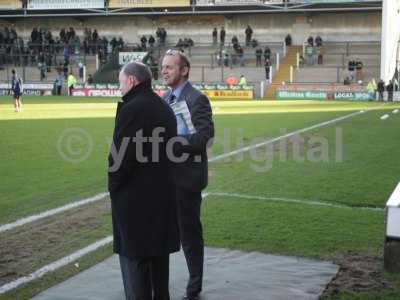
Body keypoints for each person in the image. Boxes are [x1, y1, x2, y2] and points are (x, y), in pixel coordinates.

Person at [108, 62, 180, 300]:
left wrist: (114, 188)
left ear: (131, 81)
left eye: (120, 82)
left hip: (135, 206)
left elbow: (119, 160)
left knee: (136, 273)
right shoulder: (164, 107)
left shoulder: (132, 109)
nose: (119, 88)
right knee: (160, 273)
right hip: (162, 201)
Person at [161, 50, 214, 300]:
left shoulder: (197, 98)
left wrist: (172, 142)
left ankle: (194, 287)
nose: (164, 71)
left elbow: (204, 138)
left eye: (170, 67)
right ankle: (157, 284)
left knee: (189, 235)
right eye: (163, 67)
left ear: (184, 71)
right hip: (164, 179)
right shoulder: (164, 97)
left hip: (187, 179)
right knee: (160, 231)